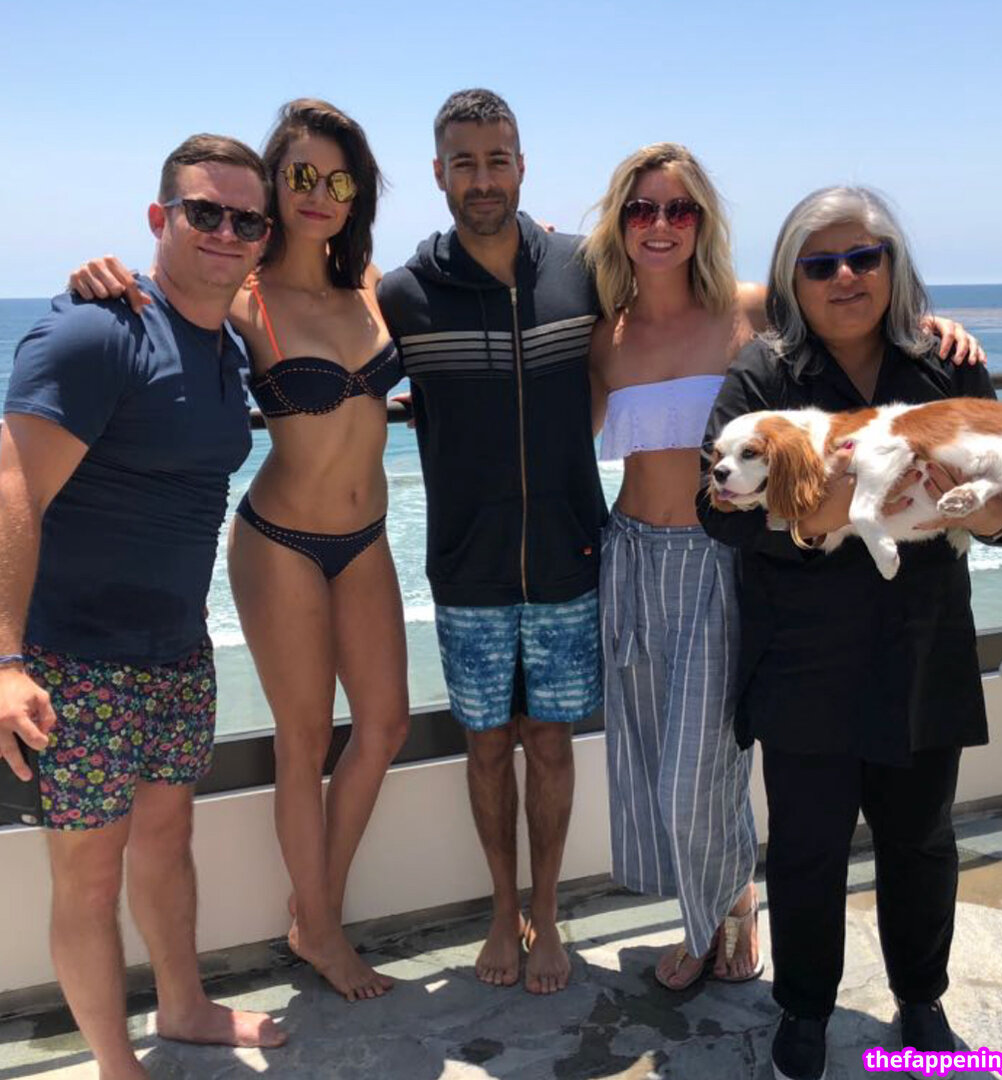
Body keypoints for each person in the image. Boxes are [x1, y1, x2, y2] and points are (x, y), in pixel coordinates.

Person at [67, 100, 409, 1003]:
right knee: (305, 740)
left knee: (384, 727)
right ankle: (323, 929)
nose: (320, 193)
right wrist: (98, 273)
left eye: (339, 179)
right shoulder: (244, 297)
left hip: (368, 537)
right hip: (281, 541)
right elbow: (162, 303)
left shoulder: (371, 283)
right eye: (300, 175)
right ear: (272, 183)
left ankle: (311, 909)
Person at [696, 186, 1002, 1080]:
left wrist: (983, 514)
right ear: (791, 279)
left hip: (921, 643)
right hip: (803, 655)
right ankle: (803, 1010)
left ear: (891, 267)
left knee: (922, 839)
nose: (844, 277)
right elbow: (711, 507)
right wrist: (811, 521)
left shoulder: (946, 366)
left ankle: (921, 999)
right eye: (820, 262)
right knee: (806, 849)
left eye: (863, 258)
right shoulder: (762, 376)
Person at [0, 135, 287, 1080]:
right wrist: (4, 662)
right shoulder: (95, 333)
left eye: (246, 220)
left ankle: (185, 1007)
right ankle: (118, 1066)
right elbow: (11, 489)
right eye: (204, 212)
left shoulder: (225, 339)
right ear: (160, 218)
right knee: (88, 874)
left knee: (167, 842)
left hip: (176, 649)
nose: (226, 233)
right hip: (73, 661)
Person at [377, 89, 606, 995]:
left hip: (567, 556)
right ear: (438, 173)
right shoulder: (404, 294)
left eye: (497, 160)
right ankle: (500, 912)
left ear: (521, 166)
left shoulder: (583, 269)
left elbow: (697, 303)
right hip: (465, 564)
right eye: (464, 163)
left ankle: (546, 912)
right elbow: (306, 326)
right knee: (483, 747)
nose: (482, 179)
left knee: (549, 743)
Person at [583, 144, 764, 989]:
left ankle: (717, 918)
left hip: (717, 562)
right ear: (619, 223)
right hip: (628, 558)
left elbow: (856, 332)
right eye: (642, 209)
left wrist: (936, 331)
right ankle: (716, 908)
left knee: (700, 770)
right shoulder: (604, 336)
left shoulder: (748, 311)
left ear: (702, 222)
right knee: (651, 758)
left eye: (679, 209)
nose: (660, 225)